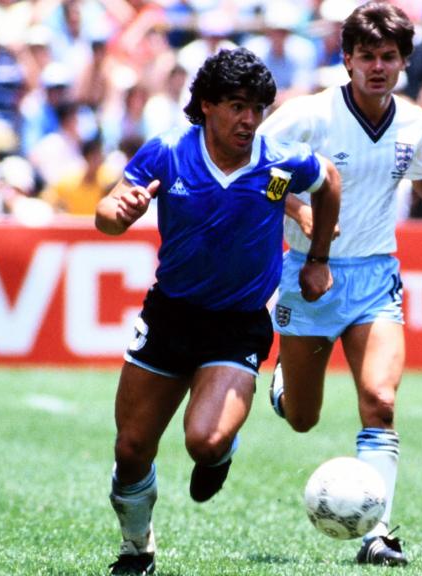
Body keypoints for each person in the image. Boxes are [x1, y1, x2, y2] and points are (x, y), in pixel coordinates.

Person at [93, 47, 340, 576]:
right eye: (236, 106)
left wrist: (317, 258)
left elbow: (327, 183)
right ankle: (137, 548)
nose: (248, 120)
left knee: (204, 442)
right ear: (206, 105)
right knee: (132, 447)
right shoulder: (166, 152)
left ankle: (220, 452)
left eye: (257, 108)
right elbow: (107, 214)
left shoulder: (278, 159)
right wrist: (121, 211)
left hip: (236, 325)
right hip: (169, 318)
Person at [257, 3, 422, 567]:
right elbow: (264, 174)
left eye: (388, 56)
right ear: (347, 59)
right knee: (303, 419)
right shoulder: (307, 117)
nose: (377, 66)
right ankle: (284, 387)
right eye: (366, 56)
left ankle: (376, 534)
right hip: (309, 276)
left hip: (376, 276)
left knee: (379, 402)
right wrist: (303, 216)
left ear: (404, 61)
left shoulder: (413, 122)